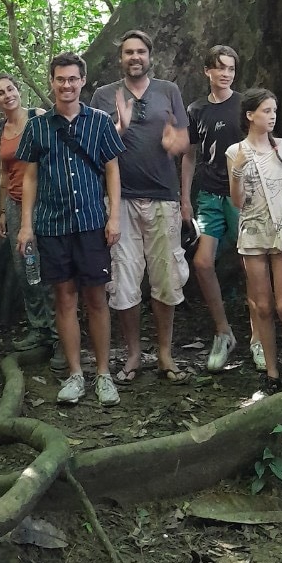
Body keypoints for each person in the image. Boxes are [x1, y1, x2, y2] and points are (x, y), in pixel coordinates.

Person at [16, 52, 125, 406]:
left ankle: (104, 374)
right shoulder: (37, 127)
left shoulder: (99, 122)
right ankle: (75, 374)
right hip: (52, 224)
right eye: (60, 79)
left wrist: (114, 217)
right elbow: (30, 176)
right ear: (51, 82)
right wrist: (26, 225)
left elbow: (112, 170)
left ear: (83, 81)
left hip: (92, 222)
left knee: (96, 297)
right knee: (64, 298)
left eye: (73, 79)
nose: (66, 85)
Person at [91, 30, 191, 383]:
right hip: (120, 200)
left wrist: (174, 141)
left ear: (150, 56)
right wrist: (121, 126)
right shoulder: (105, 95)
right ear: (121, 58)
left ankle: (165, 353)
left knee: (166, 278)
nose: (135, 57)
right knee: (124, 279)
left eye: (141, 52)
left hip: (164, 196)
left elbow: (183, 139)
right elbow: (96, 143)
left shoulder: (169, 91)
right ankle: (133, 354)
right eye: (128, 52)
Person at [181, 45, 260, 372]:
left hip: (242, 196)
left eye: (231, 68)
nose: (226, 73)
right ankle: (223, 332)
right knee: (201, 263)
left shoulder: (245, 105)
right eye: (220, 68)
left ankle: (259, 337)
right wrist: (184, 197)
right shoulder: (196, 109)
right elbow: (188, 154)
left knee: (251, 264)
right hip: (209, 196)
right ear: (207, 72)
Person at [226, 88, 282, 391]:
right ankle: (272, 372)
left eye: (274, 111)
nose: (272, 116)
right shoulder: (236, 151)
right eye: (266, 111)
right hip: (253, 232)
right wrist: (236, 173)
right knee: (262, 306)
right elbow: (237, 202)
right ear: (250, 115)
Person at [0, 72, 62, 367]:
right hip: (17, 205)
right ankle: (39, 328)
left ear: (19, 90)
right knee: (26, 269)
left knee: (51, 269)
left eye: (11, 89)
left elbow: (58, 156)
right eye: (1, 93)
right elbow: (4, 173)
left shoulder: (39, 117)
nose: (8, 95)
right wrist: (4, 210)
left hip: (46, 204)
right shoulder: (0, 129)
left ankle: (60, 337)